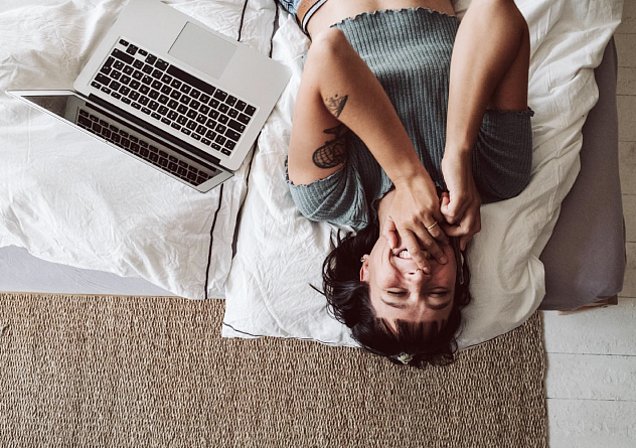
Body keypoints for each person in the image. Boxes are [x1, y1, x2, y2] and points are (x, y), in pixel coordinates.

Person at [281, 0, 533, 366]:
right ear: (459, 274)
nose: (419, 275)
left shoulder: (330, 198)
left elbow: (329, 51)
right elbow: (496, 9)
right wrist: (457, 153)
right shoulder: (496, 175)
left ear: (366, 270)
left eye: (396, 291)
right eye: (438, 292)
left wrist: (409, 177)